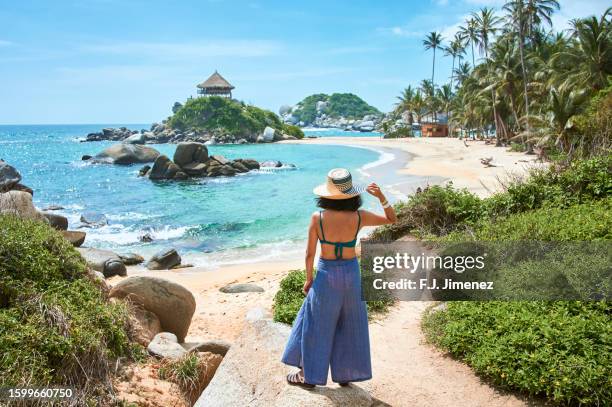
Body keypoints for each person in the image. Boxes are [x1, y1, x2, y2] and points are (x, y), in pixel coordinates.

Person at [281, 168, 397, 388]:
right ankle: (346, 374)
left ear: (327, 194)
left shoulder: (319, 218)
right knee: (351, 322)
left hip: (326, 274)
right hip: (352, 275)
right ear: (352, 194)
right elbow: (392, 219)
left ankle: (308, 375)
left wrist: (308, 279)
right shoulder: (360, 216)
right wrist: (381, 197)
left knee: (316, 323)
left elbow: (309, 253)